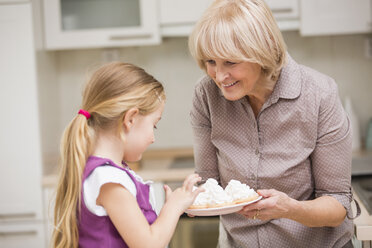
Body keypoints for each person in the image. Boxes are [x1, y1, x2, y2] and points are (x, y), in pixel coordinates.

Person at [188, 0, 359, 247]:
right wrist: (189, 198)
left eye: (230, 62)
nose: (219, 76)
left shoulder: (319, 94)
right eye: (210, 62)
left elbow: (337, 204)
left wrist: (290, 208)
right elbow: (208, 183)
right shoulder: (206, 95)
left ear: (261, 51)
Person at [51, 62, 203, 248]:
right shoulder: (109, 181)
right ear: (130, 119)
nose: (153, 138)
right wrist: (173, 208)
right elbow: (149, 245)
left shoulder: (106, 173)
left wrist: (171, 209)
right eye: (153, 125)